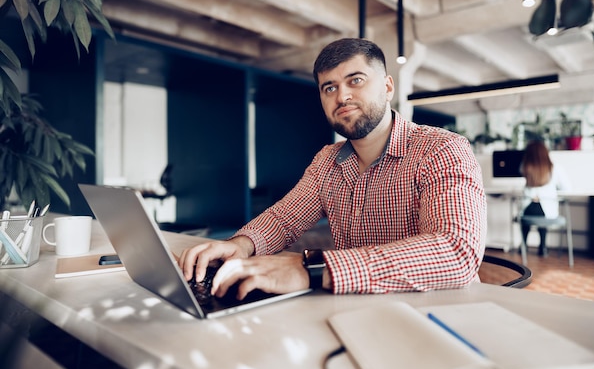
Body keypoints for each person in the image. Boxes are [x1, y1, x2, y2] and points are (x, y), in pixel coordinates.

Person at [178, 38, 486, 299]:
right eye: (329, 87)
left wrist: (312, 269)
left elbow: (456, 252)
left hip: (439, 316)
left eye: (356, 80)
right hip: (356, 310)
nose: (342, 96)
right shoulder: (327, 160)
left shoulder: (441, 149)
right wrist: (241, 246)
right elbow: (284, 219)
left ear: (388, 86)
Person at [519, 140, 571, 256]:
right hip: (546, 211)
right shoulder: (555, 168)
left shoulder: (525, 168)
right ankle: (543, 246)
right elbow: (567, 188)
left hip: (527, 210)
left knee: (528, 215)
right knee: (541, 213)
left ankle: (523, 244)